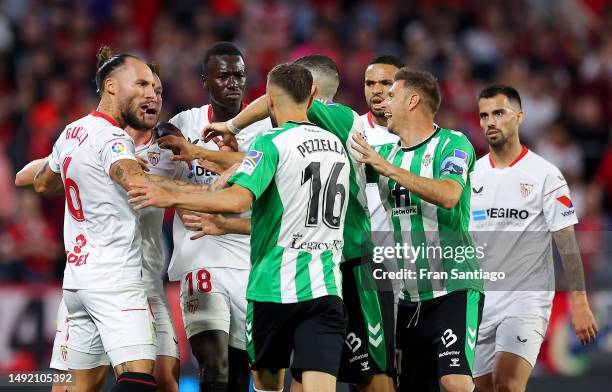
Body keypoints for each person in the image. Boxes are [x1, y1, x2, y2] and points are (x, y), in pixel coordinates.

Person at [128, 62, 350, 392]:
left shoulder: (271, 143)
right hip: (326, 288)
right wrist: (227, 226)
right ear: (313, 95)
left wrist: (168, 193)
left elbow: (237, 200)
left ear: (270, 100)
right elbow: (284, 220)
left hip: (273, 290)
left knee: (265, 386)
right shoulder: (339, 144)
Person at [191, 55, 395, 392]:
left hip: (353, 263)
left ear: (311, 92)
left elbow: (273, 98)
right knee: (305, 377)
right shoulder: (306, 135)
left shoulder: (341, 119)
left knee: (373, 378)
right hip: (317, 267)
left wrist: (231, 127)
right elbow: (285, 219)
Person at [31, 47, 200, 392]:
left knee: (110, 382)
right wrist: (181, 193)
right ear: (115, 88)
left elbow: (42, 180)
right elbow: (132, 178)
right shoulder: (112, 140)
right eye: (141, 86)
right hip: (118, 280)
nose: (151, 96)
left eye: (156, 90)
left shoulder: (76, 132)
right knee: (137, 377)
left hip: (104, 279)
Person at [352, 69, 484, 392]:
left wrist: (388, 170)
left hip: (453, 287)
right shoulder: (384, 155)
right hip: (410, 300)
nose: (382, 100)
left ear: (413, 100)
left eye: (392, 94)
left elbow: (450, 194)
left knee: (455, 381)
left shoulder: (453, 144)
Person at [469, 85, 598, 392]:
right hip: (480, 302)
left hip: (526, 299)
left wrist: (579, 301)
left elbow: (567, 242)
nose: (490, 122)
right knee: (484, 388)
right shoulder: (471, 175)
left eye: (499, 113)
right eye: (484, 115)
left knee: (508, 385)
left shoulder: (545, 174)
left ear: (519, 117)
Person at [167, 41, 271, 392]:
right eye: (223, 75)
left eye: (238, 75)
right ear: (204, 81)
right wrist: (183, 195)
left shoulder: (264, 131)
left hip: (250, 262)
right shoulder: (185, 123)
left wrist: (210, 177)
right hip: (201, 258)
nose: (232, 82)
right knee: (213, 363)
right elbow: (164, 172)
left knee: (242, 370)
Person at [361, 55, 403, 233]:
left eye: (385, 83)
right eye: (370, 83)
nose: (376, 90)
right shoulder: (352, 131)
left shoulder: (426, 135)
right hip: (364, 253)